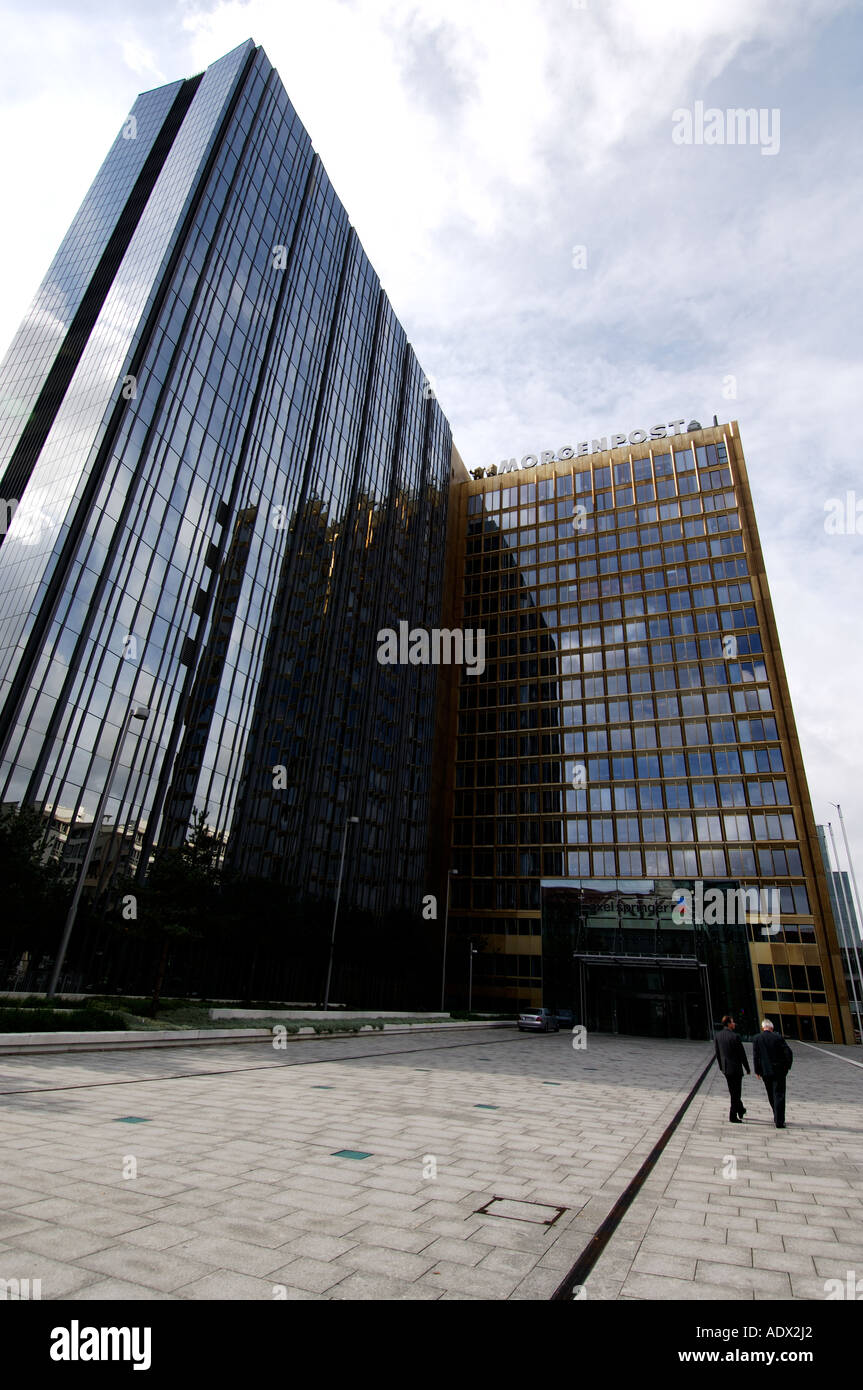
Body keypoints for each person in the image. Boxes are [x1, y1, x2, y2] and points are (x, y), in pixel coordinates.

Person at [752, 1019, 793, 1128]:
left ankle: (776, 1115)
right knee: (779, 1094)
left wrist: (757, 1070)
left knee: (771, 1094)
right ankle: (779, 1120)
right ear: (771, 1028)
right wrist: (787, 1067)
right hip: (779, 1071)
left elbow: (756, 1056)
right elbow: (788, 1052)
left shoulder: (757, 1038)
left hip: (765, 1071)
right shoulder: (778, 1037)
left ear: (763, 1027)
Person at [714, 1014, 749, 1122]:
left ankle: (740, 1109)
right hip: (735, 1069)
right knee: (736, 1093)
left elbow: (718, 1053)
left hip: (726, 1068)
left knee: (733, 1091)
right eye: (733, 1022)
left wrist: (721, 1067)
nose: (734, 1024)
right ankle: (733, 1115)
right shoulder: (735, 1036)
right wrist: (747, 1068)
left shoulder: (718, 1036)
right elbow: (742, 1054)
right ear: (729, 1024)